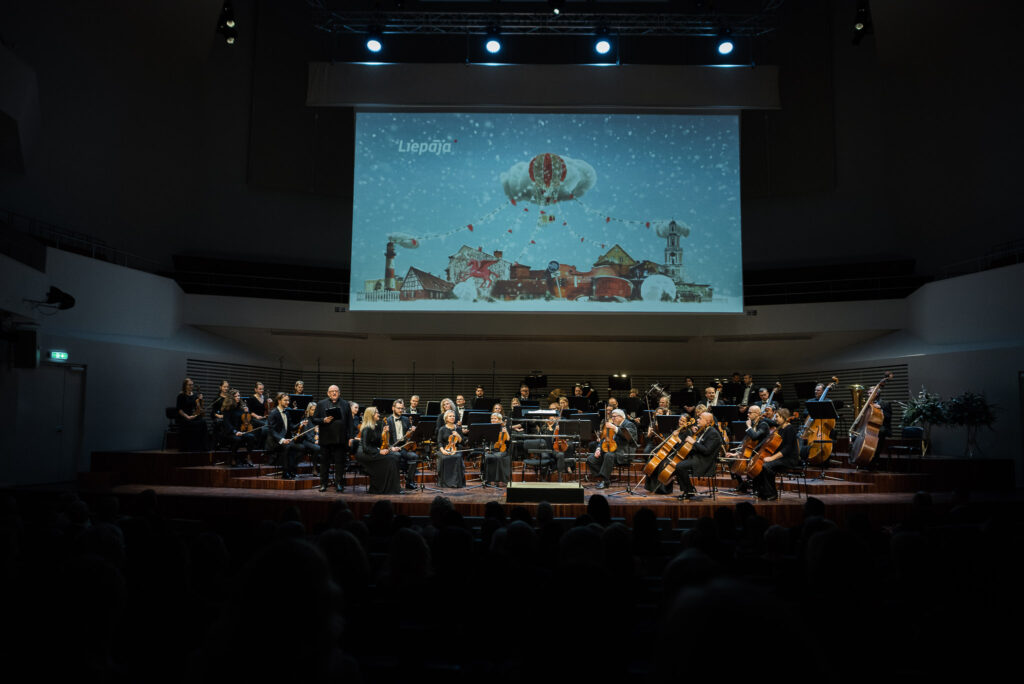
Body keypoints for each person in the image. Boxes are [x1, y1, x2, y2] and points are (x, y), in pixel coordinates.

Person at [751, 408, 800, 500]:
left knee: (767, 466)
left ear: (783, 417)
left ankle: (772, 494)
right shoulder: (780, 428)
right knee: (760, 464)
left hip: (789, 459)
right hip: (781, 458)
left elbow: (787, 449)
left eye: (777, 416)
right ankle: (762, 491)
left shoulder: (790, 429)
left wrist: (772, 458)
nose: (775, 419)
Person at [674, 411, 724, 499]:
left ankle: (688, 491)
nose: (697, 420)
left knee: (680, 466)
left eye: (700, 418)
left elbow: (707, 451)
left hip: (705, 462)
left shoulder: (713, 433)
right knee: (677, 463)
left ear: (707, 422)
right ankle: (689, 489)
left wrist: (694, 442)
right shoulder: (704, 430)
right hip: (698, 458)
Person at [313, 385, 352, 493]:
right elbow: (314, 419)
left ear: (339, 393)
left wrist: (351, 437)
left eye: (336, 391)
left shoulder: (345, 404)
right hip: (326, 438)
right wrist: (323, 420)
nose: (334, 393)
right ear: (328, 393)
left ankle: (339, 483)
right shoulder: (321, 404)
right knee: (324, 463)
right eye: (332, 391)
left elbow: (350, 422)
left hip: (340, 438)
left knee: (340, 462)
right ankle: (323, 484)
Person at [587, 408, 637, 489]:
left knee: (608, 455)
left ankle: (605, 481)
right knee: (591, 459)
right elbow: (603, 439)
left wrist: (615, 428)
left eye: (614, 416)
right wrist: (598, 449)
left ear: (621, 417)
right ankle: (603, 477)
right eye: (612, 417)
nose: (612, 418)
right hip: (610, 450)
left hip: (623, 453)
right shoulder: (612, 425)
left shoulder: (629, 424)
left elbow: (629, 437)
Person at [356, 407, 401, 494]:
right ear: (371, 415)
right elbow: (365, 447)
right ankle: (384, 489)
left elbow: (379, 444)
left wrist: (389, 445)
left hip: (372, 451)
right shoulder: (366, 429)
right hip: (364, 453)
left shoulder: (377, 426)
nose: (379, 414)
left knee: (394, 457)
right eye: (376, 413)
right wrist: (379, 451)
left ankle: (392, 488)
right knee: (391, 459)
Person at [730, 404, 771, 494]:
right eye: (748, 412)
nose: (747, 414)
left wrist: (748, 427)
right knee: (731, 460)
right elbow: (745, 440)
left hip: (758, 452)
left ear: (757, 414)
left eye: (750, 413)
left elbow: (754, 436)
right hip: (750, 451)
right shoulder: (752, 424)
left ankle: (756, 487)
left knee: (750, 463)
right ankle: (742, 485)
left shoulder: (763, 424)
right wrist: (737, 453)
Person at [384, 398, 420, 490]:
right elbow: (384, 439)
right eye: (398, 408)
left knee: (414, 456)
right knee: (396, 456)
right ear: (393, 408)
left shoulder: (406, 420)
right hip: (392, 448)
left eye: (402, 408)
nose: (400, 410)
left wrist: (412, 432)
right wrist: (391, 448)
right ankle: (395, 484)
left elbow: (409, 437)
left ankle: (409, 481)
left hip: (403, 447)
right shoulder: (387, 420)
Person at [265, 393, 301, 480]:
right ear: (279, 401)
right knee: (287, 447)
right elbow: (272, 431)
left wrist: (300, 424)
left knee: (300, 447)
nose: (287, 402)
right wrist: (282, 440)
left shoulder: (287, 412)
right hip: (274, 441)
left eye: (288, 400)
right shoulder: (273, 413)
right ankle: (285, 472)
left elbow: (291, 427)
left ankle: (292, 469)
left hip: (285, 440)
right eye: (285, 400)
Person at [219, 390, 258, 466]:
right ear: (231, 398)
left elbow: (245, 421)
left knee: (251, 437)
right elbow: (226, 423)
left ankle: (248, 457)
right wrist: (235, 431)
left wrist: (247, 412)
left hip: (240, 431)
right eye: (235, 396)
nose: (238, 397)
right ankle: (233, 457)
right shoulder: (227, 408)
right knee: (237, 439)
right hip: (230, 432)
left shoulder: (241, 407)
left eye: (239, 396)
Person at [175, 377, 208, 451]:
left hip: (192, 415)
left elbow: (198, 408)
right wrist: (187, 417)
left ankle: (201, 447)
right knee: (189, 423)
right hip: (184, 416)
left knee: (203, 422)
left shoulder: (195, 395)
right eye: (189, 385)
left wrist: (200, 400)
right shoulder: (181, 396)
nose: (191, 386)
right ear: (185, 386)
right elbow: (179, 409)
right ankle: (189, 447)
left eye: (192, 385)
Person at [436, 409, 466, 488]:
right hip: (444, 448)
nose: (452, 417)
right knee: (444, 458)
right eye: (450, 416)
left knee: (457, 457)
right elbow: (439, 442)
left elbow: (463, 443)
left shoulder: (458, 428)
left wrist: (458, 435)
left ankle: (456, 483)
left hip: (456, 449)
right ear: (446, 418)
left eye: (453, 416)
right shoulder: (442, 429)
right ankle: (444, 483)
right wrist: (443, 450)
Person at [482, 412, 511, 486]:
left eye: (495, 418)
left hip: (502, 449)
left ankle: (498, 479)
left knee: (497, 456)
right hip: (492, 449)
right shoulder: (489, 428)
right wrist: (487, 448)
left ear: (500, 420)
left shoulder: (504, 428)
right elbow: (486, 441)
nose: (493, 420)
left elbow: (508, 440)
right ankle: (488, 479)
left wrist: (506, 432)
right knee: (487, 456)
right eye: (491, 418)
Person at [292, 403, 322, 474]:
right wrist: (314, 441)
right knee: (317, 448)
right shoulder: (305, 420)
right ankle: (314, 468)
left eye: (315, 410)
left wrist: (318, 436)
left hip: (315, 440)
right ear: (308, 410)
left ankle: (323, 467)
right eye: (312, 410)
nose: (314, 411)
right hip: (306, 440)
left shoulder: (318, 420)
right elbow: (306, 434)